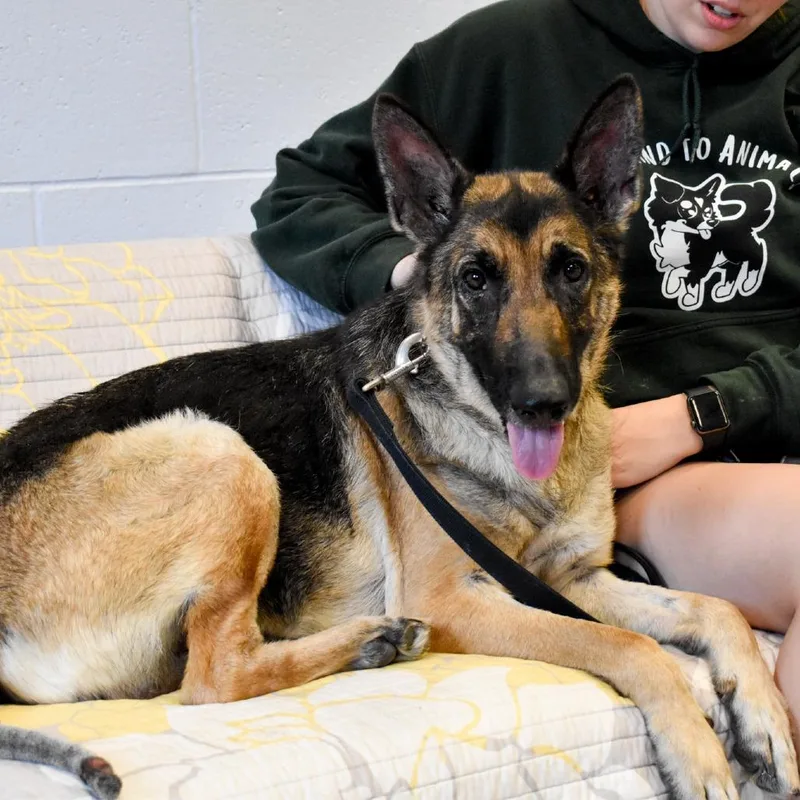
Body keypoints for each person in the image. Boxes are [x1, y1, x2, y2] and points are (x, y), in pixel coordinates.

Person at [251, 0, 800, 738]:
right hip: (617, 468)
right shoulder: (509, 48)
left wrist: (706, 412)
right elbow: (298, 194)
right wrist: (436, 275)